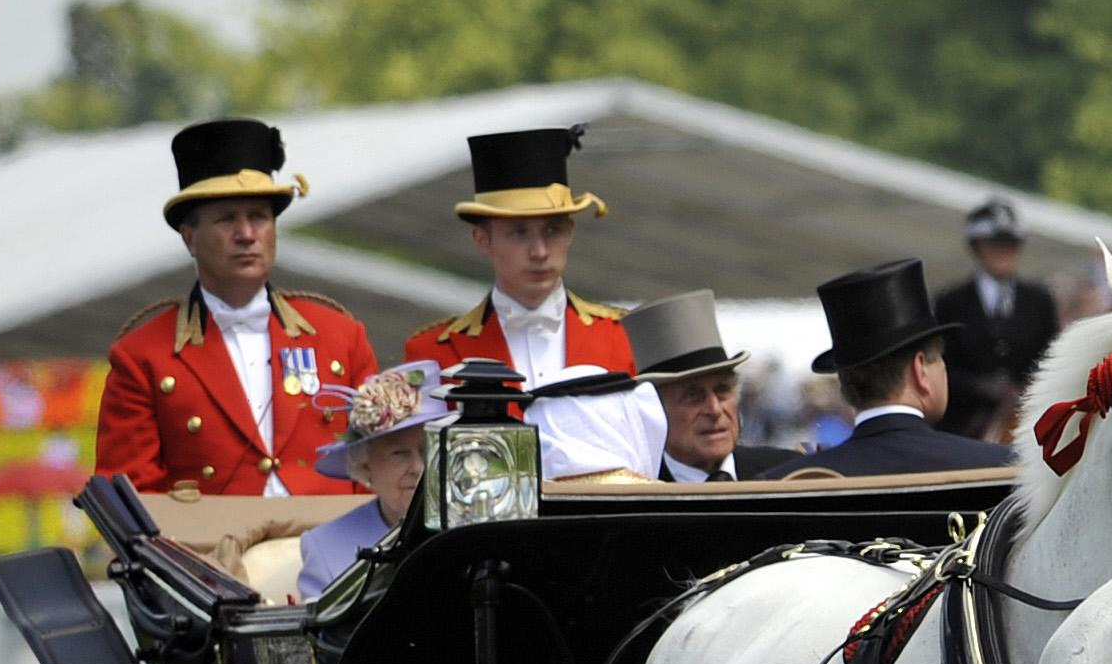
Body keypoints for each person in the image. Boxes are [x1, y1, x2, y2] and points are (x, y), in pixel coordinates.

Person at [95, 118, 380, 498]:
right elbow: (128, 498)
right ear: (190, 238)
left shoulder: (341, 337)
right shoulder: (142, 357)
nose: (246, 234)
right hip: (208, 554)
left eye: (259, 217)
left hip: (337, 550)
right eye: (227, 219)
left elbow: (380, 466)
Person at [399, 126, 661, 479]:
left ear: (570, 232)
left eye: (552, 230)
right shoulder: (431, 353)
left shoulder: (625, 336)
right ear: (482, 239)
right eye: (519, 233)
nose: (539, 252)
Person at [798, 261, 1016, 476]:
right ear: (920, 370)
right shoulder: (999, 467)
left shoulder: (794, 480)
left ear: (846, 383)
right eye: (940, 360)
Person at [293, 365, 446, 600]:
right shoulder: (326, 547)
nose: (418, 467)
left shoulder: (476, 530)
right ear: (365, 466)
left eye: (428, 450)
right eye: (399, 453)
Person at [625, 292, 796, 482]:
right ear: (655, 411)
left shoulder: (789, 475)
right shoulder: (635, 490)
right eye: (693, 396)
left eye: (722, 391)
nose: (714, 410)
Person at [940, 198, 1061, 440]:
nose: (1003, 252)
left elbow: (1052, 359)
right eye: (994, 244)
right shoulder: (951, 302)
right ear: (977, 247)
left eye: (1009, 244)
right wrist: (979, 387)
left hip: (1023, 424)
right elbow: (942, 367)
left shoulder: (1038, 301)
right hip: (962, 425)